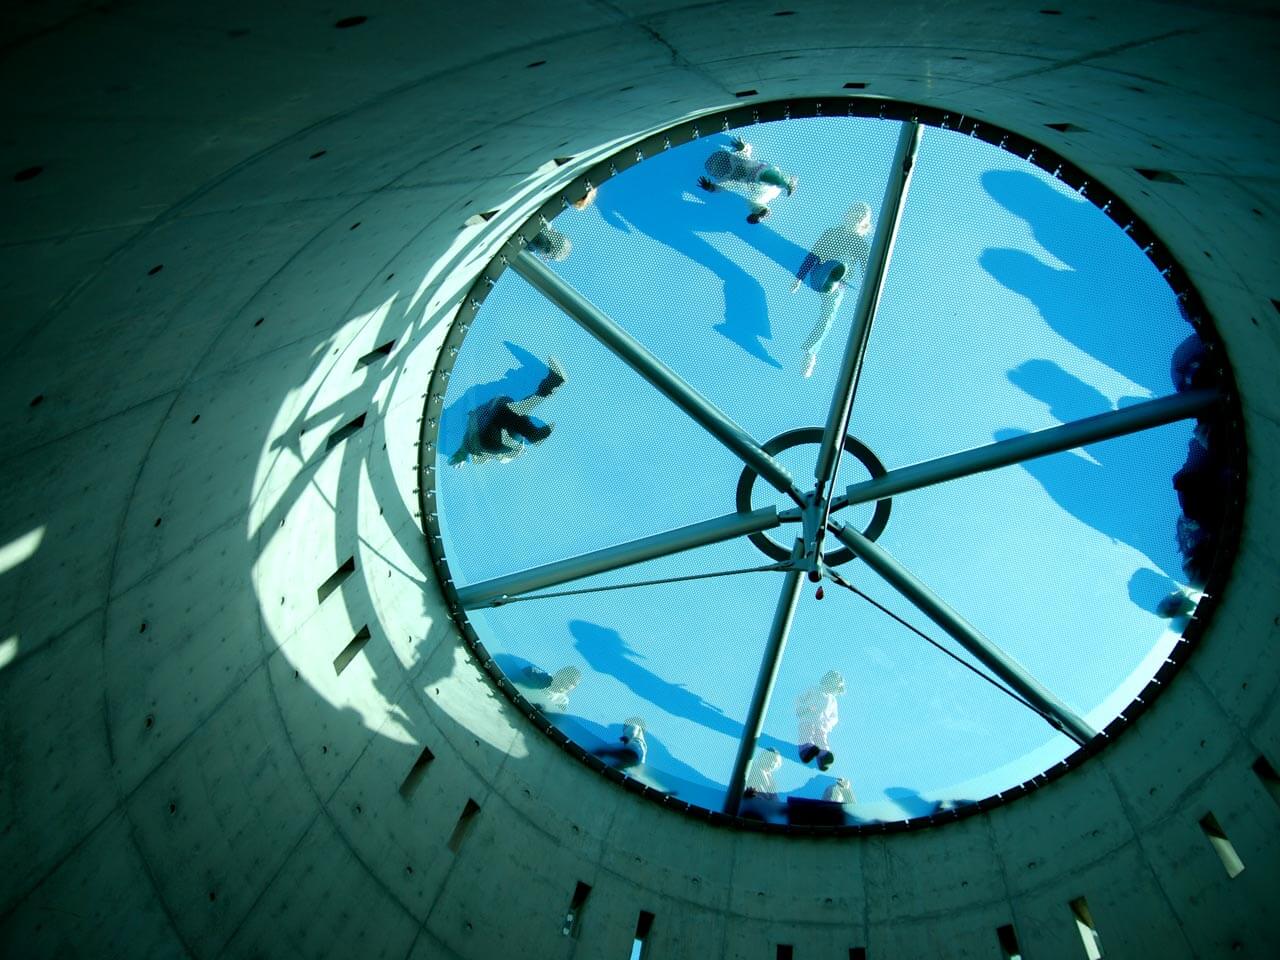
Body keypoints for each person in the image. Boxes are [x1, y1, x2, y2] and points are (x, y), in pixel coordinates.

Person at [789, 201, 873, 377]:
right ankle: (832, 270)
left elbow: (868, 271)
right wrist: (799, 277)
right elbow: (814, 254)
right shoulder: (832, 233)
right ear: (846, 215)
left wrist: (868, 292)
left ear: (864, 224)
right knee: (839, 259)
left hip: (836, 285)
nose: (856, 216)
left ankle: (810, 354)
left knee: (828, 315)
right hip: (820, 273)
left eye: (861, 216)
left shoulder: (861, 244)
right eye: (854, 212)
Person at [448, 356, 567, 465]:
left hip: (498, 442)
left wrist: (463, 453)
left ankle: (553, 383)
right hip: (494, 442)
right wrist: (463, 452)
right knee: (512, 410)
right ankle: (554, 382)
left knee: (514, 411)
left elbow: (471, 436)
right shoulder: (486, 414)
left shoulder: (486, 416)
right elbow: (471, 435)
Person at [697, 137, 797, 224]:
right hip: (761, 189)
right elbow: (717, 188)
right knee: (752, 201)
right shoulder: (727, 180)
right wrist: (709, 187)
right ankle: (762, 212)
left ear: (726, 156)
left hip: (764, 175)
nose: (720, 167)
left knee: (763, 176)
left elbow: (745, 151)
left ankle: (786, 182)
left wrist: (742, 147)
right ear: (717, 174)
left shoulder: (737, 159)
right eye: (716, 169)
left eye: (720, 163)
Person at [796, 669, 846, 772]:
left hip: (821, 725)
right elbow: (800, 699)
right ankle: (806, 749)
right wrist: (802, 709)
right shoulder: (814, 689)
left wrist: (828, 724)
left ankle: (824, 756)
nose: (832, 687)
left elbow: (834, 717)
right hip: (809, 719)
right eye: (831, 683)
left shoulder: (832, 700)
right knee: (807, 733)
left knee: (822, 738)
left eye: (835, 686)